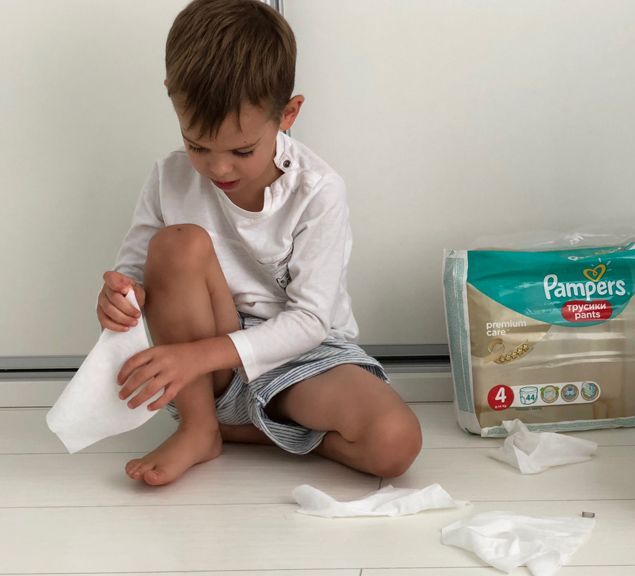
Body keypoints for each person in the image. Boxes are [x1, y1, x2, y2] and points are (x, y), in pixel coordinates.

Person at [95, 0, 422, 486]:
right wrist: (121, 297)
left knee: (396, 442)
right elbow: (136, 274)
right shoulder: (169, 177)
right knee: (177, 245)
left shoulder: (318, 190)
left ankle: (243, 430)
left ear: (288, 114)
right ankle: (201, 426)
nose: (218, 168)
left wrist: (197, 357)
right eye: (197, 145)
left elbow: (310, 321)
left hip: (302, 357)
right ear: (173, 100)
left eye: (242, 150)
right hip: (204, 368)